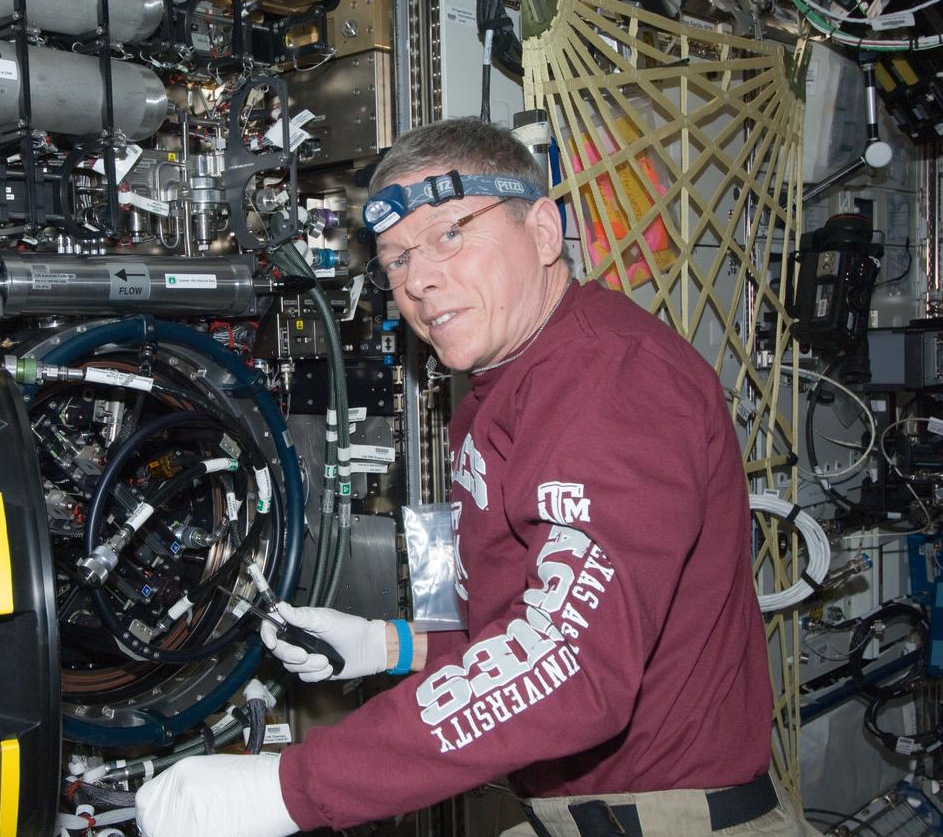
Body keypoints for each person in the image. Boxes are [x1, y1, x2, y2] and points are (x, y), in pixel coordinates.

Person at [135, 118, 816, 837]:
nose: (420, 279)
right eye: (395, 261)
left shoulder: (610, 379)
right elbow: (538, 623)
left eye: (451, 234)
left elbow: (571, 665)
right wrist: (391, 646)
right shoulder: (505, 385)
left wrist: (289, 788)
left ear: (545, 233)